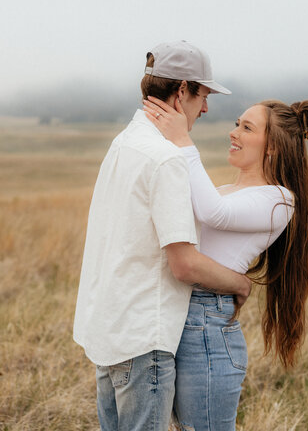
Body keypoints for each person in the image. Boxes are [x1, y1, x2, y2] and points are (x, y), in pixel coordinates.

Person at [73, 40, 251, 431]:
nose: (205, 108)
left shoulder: (125, 142)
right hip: (142, 338)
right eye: (203, 94)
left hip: (108, 329)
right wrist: (241, 284)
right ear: (182, 89)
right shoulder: (167, 158)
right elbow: (184, 263)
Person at [143, 94, 308, 431]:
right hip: (179, 314)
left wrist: (182, 139)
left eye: (247, 127)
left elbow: (212, 213)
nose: (234, 132)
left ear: (272, 147)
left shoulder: (279, 199)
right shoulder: (226, 189)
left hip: (207, 327)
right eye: (237, 124)